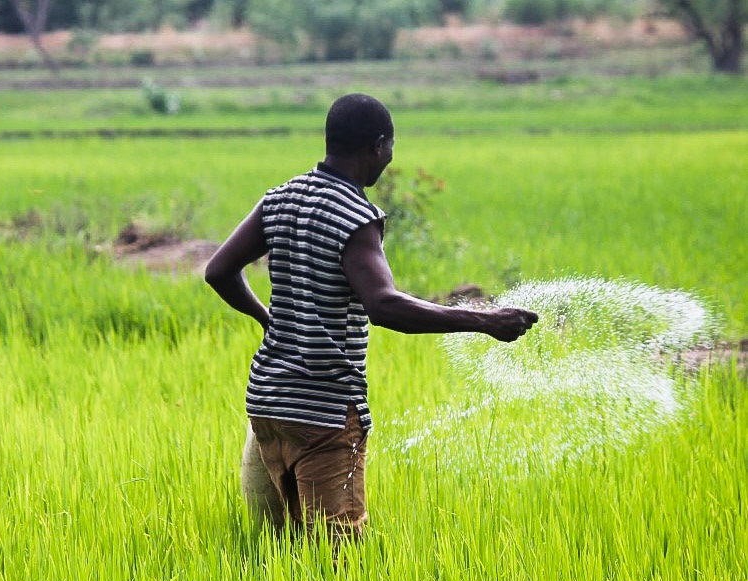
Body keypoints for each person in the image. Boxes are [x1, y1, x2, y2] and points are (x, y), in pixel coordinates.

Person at [204, 93, 538, 542]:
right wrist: (483, 321)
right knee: (337, 553)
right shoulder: (355, 215)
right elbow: (384, 305)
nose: (391, 155)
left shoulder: (281, 198)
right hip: (322, 412)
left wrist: (268, 321)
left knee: (284, 550)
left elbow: (219, 271)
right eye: (391, 146)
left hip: (269, 403)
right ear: (378, 147)